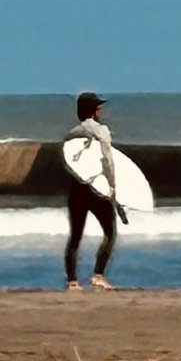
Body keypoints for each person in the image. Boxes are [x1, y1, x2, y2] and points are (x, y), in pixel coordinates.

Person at [62, 90, 123, 291]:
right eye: (99, 108)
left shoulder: (71, 133)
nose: (101, 111)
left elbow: (70, 162)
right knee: (110, 231)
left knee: (75, 235)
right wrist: (113, 186)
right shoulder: (101, 131)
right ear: (94, 111)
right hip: (97, 188)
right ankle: (98, 275)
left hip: (77, 188)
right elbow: (107, 159)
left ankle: (72, 281)